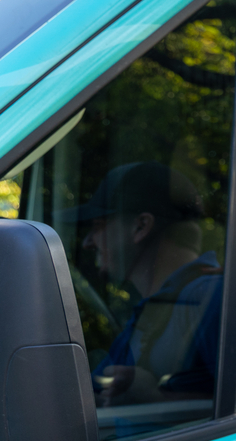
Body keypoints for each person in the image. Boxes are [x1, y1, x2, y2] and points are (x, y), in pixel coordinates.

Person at [60, 161, 223, 404]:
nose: (88, 243)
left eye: (98, 226)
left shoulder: (209, 296)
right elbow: (82, 399)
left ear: (141, 226)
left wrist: (155, 398)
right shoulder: (153, 309)